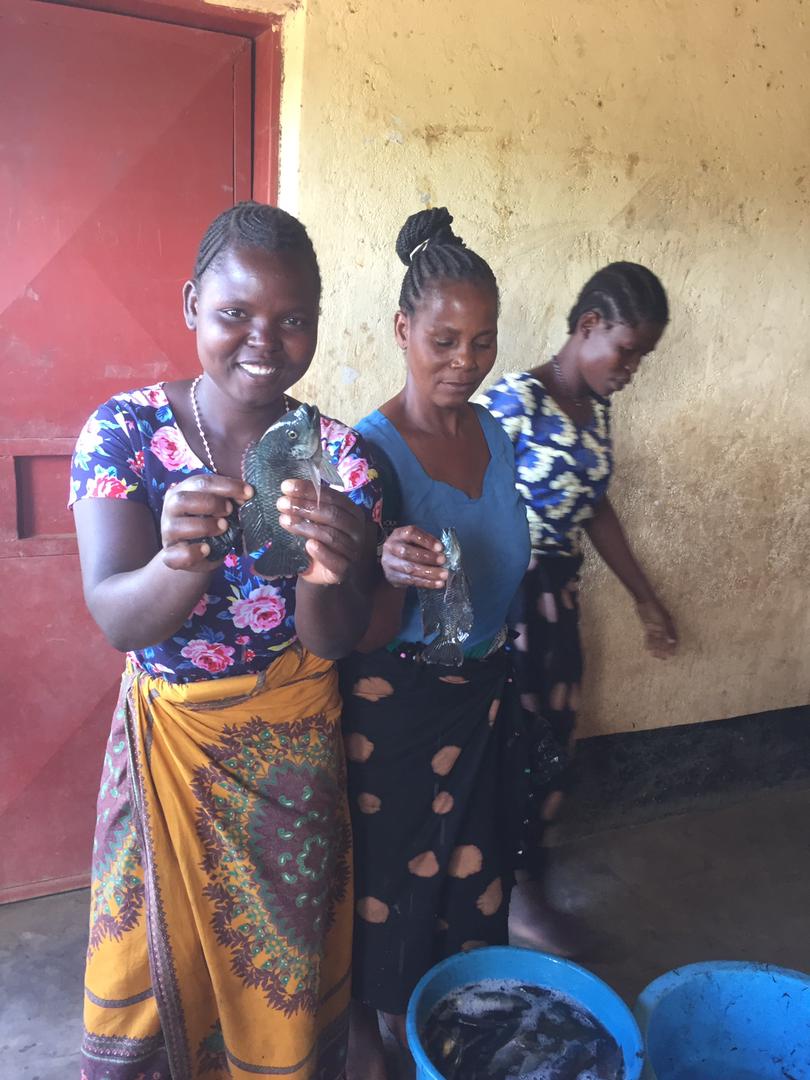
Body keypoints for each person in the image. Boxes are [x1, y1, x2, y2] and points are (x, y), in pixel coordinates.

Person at [69, 201, 381, 1080]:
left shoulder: (341, 459)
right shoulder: (124, 435)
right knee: (145, 971)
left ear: (316, 325)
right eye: (235, 313)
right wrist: (181, 560)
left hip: (291, 756)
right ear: (190, 306)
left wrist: (328, 573)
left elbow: (332, 643)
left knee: (276, 969)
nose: (263, 340)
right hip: (169, 746)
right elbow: (118, 617)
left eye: (292, 320)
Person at [338, 208, 532, 1079]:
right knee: (395, 889)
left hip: (484, 697)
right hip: (398, 713)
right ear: (402, 331)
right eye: (444, 340)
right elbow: (360, 630)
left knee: (472, 878)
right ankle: (379, 1036)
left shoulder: (492, 432)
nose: (465, 364)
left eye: (483, 343)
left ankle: (447, 1022)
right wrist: (381, 565)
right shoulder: (367, 457)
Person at [477, 261, 678, 951]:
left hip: (558, 598)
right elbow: (460, 501)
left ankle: (521, 885)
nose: (631, 371)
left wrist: (645, 597)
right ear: (587, 327)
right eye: (626, 353)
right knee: (513, 744)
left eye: (643, 359)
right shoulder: (514, 404)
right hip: (506, 602)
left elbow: (594, 507)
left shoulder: (596, 408)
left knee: (551, 746)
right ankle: (509, 897)